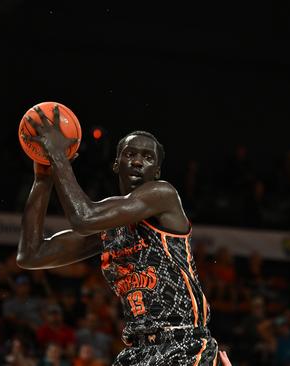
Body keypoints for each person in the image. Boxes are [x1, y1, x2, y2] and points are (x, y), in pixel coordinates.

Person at [17, 106, 224, 365]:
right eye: (130, 154)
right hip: (137, 352)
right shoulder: (109, 228)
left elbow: (84, 218)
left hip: (183, 345)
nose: (138, 161)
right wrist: (43, 179)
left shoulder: (163, 195)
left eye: (148, 157)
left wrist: (58, 155)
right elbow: (31, 255)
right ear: (116, 164)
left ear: (157, 172)